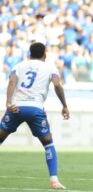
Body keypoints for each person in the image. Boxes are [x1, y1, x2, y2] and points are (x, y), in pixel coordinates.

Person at [0, 42, 69, 189]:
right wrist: (64, 105)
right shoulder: (50, 67)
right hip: (35, 109)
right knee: (48, 144)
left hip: (16, 107)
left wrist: (8, 102)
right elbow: (57, 85)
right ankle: (54, 180)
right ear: (45, 55)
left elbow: (12, 81)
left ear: (29, 54)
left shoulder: (19, 65)